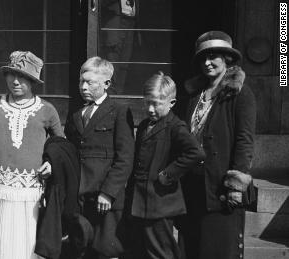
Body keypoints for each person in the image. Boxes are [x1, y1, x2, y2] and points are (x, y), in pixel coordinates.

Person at [0, 51, 64, 259]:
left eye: (23, 77)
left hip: (31, 195)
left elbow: (61, 149)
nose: (15, 81)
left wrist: (51, 164)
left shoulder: (47, 110)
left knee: (26, 245)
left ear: (33, 81)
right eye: (11, 75)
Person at [177, 31, 256, 259]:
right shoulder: (194, 95)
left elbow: (245, 141)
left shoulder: (241, 95)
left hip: (221, 189)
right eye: (202, 58)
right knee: (191, 249)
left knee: (219, 250)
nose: (207, 63)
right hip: (193, 186)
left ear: (227, 59)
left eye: (213, 57)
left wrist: (236, 184)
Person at [123, 72, 205, 259]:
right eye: (147, 102)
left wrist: (168, 174)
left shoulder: (175, 126)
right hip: (141, 202)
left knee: (161, 252)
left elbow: (196, 152)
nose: (150, 109)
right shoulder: (144, 125)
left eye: (157, 104)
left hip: (160, 203)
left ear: (171, 103)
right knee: (141, 250)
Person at [64, 56, 135, 259]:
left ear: (106, 84)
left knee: (107, 250)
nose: (83, 86)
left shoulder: (119, 111)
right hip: (81, 196)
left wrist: (108, 192)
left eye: (90, 82)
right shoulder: (76, 113)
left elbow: (125, 158)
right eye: (81, 81)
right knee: (81, 248)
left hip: (106, 199)